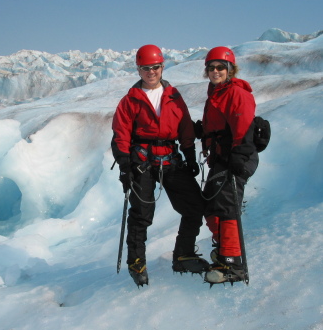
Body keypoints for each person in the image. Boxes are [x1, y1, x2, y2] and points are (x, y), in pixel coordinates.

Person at [111, 44, 209, 287]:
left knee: (194, 206)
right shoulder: (130, 100)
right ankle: (137, 262)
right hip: (141, 162)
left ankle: (183, 255)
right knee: (141, 215)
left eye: (155, 67)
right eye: (145, 68)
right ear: (139, 69)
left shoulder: (174, 96)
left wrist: (189, 155)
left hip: (169, 157)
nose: (150, 72)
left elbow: (185, 127)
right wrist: (125, 165)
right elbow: (120, 133)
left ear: (162, 67)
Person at [196, 46, 259, 285]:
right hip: (223, 157)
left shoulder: (236, 93)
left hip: (237, 157)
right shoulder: (215, 92)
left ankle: (233, 263)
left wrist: (238, 157)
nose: (215, 71)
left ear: (230, 69)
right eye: (211, 67)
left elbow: (243, 128)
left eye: (221, 67)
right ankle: (223, 249)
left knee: (226, 207)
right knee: (210, 204)